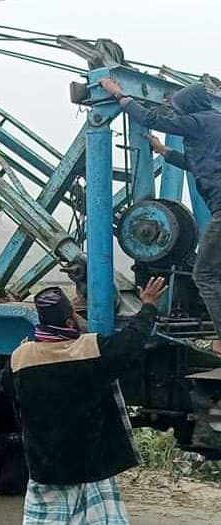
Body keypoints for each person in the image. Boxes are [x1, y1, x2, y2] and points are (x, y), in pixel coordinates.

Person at [13, 277, 167, 525]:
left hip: (48, 468)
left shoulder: (20, 358)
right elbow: (130, 342)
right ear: (70, 322)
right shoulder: (90, 351)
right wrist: (149, 305)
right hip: (90, 467)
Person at [100, 78, 221, 354]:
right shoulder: (215, 122)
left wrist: (119, 94)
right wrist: (165, 152)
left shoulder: (197, 121)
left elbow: (150, 117)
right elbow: (199, 164)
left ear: (189, 107)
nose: (178, 115)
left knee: (204, 275)